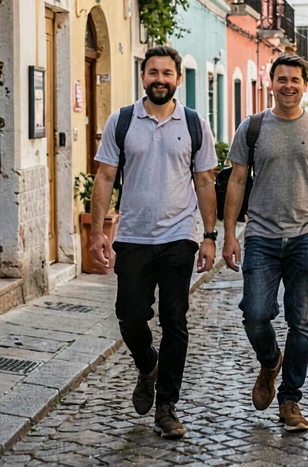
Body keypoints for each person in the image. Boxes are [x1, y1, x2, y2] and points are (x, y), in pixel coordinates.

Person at [88, 45, 218, 440]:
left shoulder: (194, 123)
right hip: (133, 236)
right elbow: (105, 177)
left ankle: (166, 406)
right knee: (129, 317)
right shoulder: (122, 120)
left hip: (179, 236)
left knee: (174, 319)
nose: (160, 79)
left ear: (177, 79)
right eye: (153, 72)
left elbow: (205, 181)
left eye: (166, 73)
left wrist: (209, 235)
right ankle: (148, 365)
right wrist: (98, 231)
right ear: (143, 76)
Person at [222, 54, 308, 432]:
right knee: (255, 314)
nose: (288, 86)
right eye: (282, 79)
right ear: (272, 84)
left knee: (301, 322)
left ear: (305, 85)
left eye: (295, 79)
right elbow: (237, 180)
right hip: (260, 235)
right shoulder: (253, 127)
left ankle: (290, 399)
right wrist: (228, 235)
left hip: (306, 236)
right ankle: (269, 361)